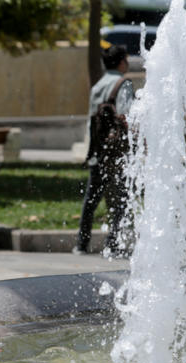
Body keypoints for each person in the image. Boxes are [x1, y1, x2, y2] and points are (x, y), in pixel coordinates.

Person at [74, 44, 134, 256]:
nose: (128, 62)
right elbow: (127, 116)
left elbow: (93, 120)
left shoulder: (97, 86)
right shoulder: (123, 84)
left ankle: (81, 244)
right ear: (120, 62)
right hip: (117, 153)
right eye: (126, 59)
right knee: (121, 199)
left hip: (98, 151)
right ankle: (113, 244)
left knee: (91, 199)